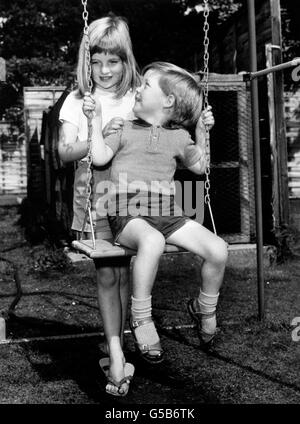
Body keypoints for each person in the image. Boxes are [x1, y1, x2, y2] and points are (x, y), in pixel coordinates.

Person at [83, 61, 228, 366]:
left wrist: (203, 131)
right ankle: (140, 317)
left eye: (146, 85)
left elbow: (200, 167)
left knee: (218, 249)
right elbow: (98, 158)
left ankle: (205, 308)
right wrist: (94, 120)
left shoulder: (178, 137)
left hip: (167, 213)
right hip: (127, 214)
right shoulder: (123, 127)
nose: (137, 88)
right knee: (152, 241)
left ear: (168, 101)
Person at [58, 14, 140, 397]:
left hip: (137, 196)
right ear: (85, 61)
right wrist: (95, 134)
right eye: (96, 61)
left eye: (113, 61)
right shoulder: (78, 100)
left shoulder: (138, 94)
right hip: (95, 197)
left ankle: (122, 341)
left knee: (126, 275)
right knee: (109, 274)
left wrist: (198, 124)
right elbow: (64, 151)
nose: (105, 70)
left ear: (126, 61)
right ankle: (116, 351)